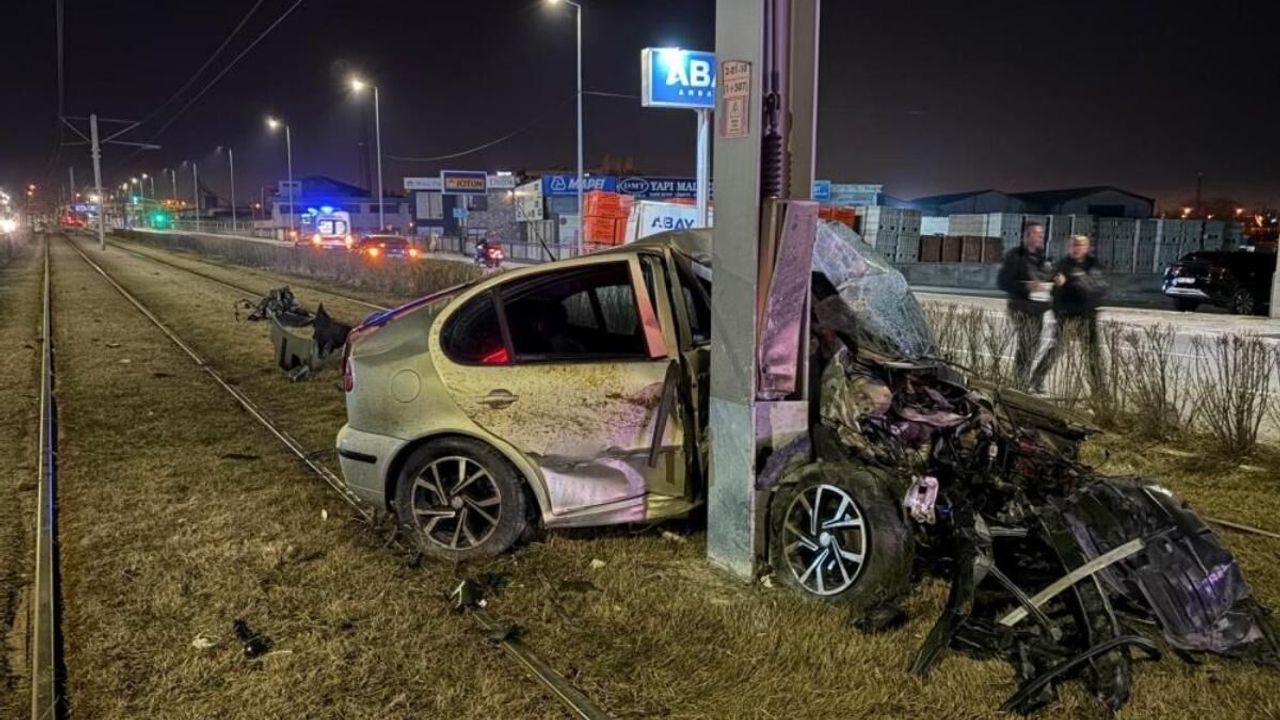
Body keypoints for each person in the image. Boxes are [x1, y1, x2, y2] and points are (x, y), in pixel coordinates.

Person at [1028, 235, 1107, 395]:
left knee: (1093, 354)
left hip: (1089, 315)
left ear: (1087, 247)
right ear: (1070, 247)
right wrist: (1059, 314)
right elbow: (1055, 293)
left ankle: (1099, 390)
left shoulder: (1093, 265)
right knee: (1057, 349)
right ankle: (1037, 379)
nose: (1076, 248)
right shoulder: (1063, 266)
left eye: (1080, 245)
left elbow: (1100, 286)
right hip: (1069, 316)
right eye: (1074, 245)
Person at [997, 222, 1052, 388]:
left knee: (1034, 344)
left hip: (1038, 307)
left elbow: (1046, 278)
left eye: (1041, 235)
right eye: (1035, 234)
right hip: (1020, 305)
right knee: (1027, 343)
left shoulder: (1042, 258)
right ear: (1026, 236)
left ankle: (1024, 380)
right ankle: (1020, 381)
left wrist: (1052, 281)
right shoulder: (1015, 256)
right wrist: (1026, 286)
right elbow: (1003, 282)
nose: (1039, 238)